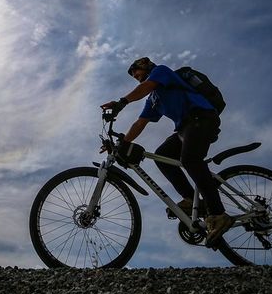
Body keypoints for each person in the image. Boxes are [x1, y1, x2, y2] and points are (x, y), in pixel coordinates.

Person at [100, 57, 234, 246]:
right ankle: (190, 199)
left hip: (201, 118)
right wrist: (120, 144)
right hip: (184, 129)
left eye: (138, 74)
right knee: (161, 156)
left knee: (190, 159)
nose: (137, 79)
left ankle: (219, 214)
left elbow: (146, 86)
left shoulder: (161, 72)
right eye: (135, 77)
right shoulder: (153, 99)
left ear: (146, 64)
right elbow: (139, 123)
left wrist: (121, 103)